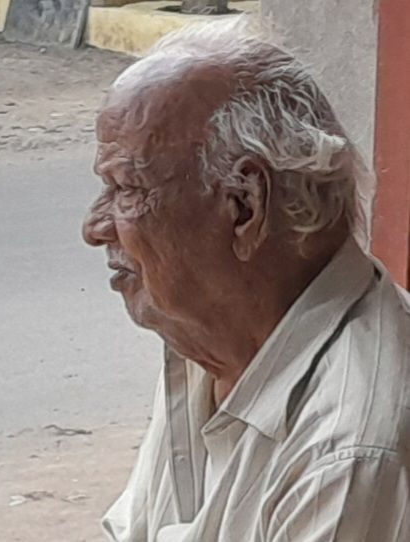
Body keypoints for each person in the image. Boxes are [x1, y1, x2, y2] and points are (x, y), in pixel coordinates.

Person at [82, 15, 410, 542]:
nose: (95, 228)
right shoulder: (211, 344)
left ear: (244, 206)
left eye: (126, 189)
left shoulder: (349, 452)